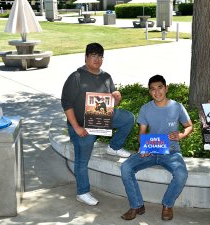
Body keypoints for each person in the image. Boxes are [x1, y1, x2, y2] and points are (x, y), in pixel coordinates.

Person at [61, 43, 134, 206]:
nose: (97, 59)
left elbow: (110, 105)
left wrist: (116, 99)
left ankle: (114, 147)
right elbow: (66, 104)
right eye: (93, 56)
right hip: (81, 125)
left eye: (100, 56)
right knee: (82, 158)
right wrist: (77, 127)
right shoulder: (76, 77)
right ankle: (83, 192)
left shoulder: (106, 77)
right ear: (86, 57)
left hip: (100, 119)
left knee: (128, 118)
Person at [120, 75, 193, 221]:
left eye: (160, 87)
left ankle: (167, 205)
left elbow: (189, 126)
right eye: (153, 89)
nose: (157, 92)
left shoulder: (177, 107)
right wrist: (143, 147)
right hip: (151, 149)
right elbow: (142, 133)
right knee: (126, 167)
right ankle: (136, 205)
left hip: (172, 151)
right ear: (149, 92)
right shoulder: (146, 109)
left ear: (166, 88)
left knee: (181, 174)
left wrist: (181, 135)